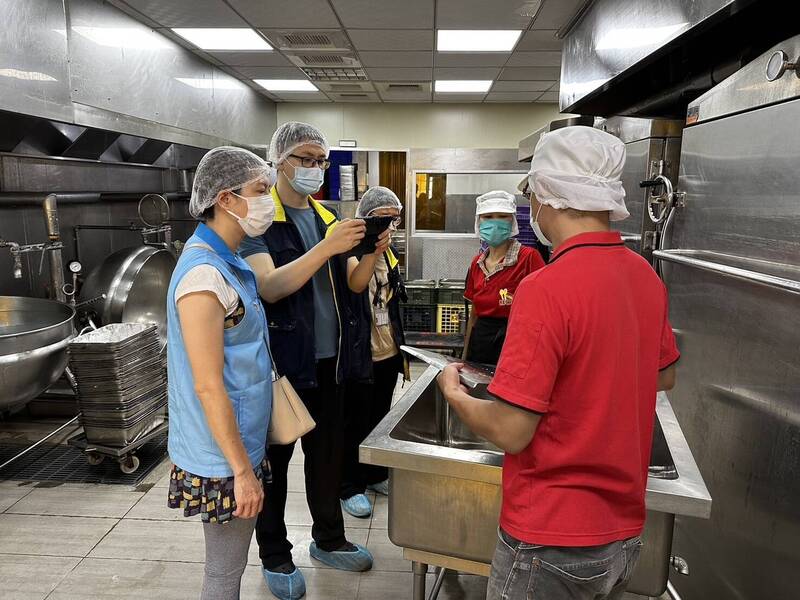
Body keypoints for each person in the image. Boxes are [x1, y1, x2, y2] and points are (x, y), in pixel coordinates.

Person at [437, 126, 681, 600]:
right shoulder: (643, 276)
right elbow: (663, 373)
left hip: (550, 538)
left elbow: (511, 430)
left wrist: (453, 393)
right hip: (622, 533)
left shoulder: (547, 287)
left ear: (548, 198)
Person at [239, 122, 388, 600]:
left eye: (320, 160)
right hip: (284, 366)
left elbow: (355, 285)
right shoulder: (260, 222)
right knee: (276, 464)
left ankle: (328, 539)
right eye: (305, 158)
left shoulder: (325, 215)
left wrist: (370, 252)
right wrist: (328, 246)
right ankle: (276, 554)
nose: (314, 168)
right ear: (279, 160)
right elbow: (270, 285)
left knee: (326, 459)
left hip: (332, 361)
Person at [165, 146, 275, 600]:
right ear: (227, 199)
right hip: (223, 456)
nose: (269, 200)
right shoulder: (203, 277)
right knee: (224, 571)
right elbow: (208, 385)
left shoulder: (230, 259)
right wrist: (242, 473)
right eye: (260, 190)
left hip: (240, 440)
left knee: (230, 564)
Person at [339, 186, 408, 518]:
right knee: (354, 422)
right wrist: (371, 251)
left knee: (381, 420)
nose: (389, 229)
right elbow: (355, 286)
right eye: (381, 220)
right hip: (359, 354)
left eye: (394, 221)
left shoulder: (391, 254)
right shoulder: (350, 250)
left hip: (387, 352)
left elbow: (390, 304)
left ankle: (375, 473)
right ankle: (350, 485)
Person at [462, 190, 545, 365]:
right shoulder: (477, 263)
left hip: (515, 340)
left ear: (512, 221)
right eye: (488, 217)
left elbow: (543, 311)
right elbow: (474, 314)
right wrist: (465, 356)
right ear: (479, 222)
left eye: (502, 216)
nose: (495, 222)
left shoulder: (529, 258)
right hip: (481, 341)